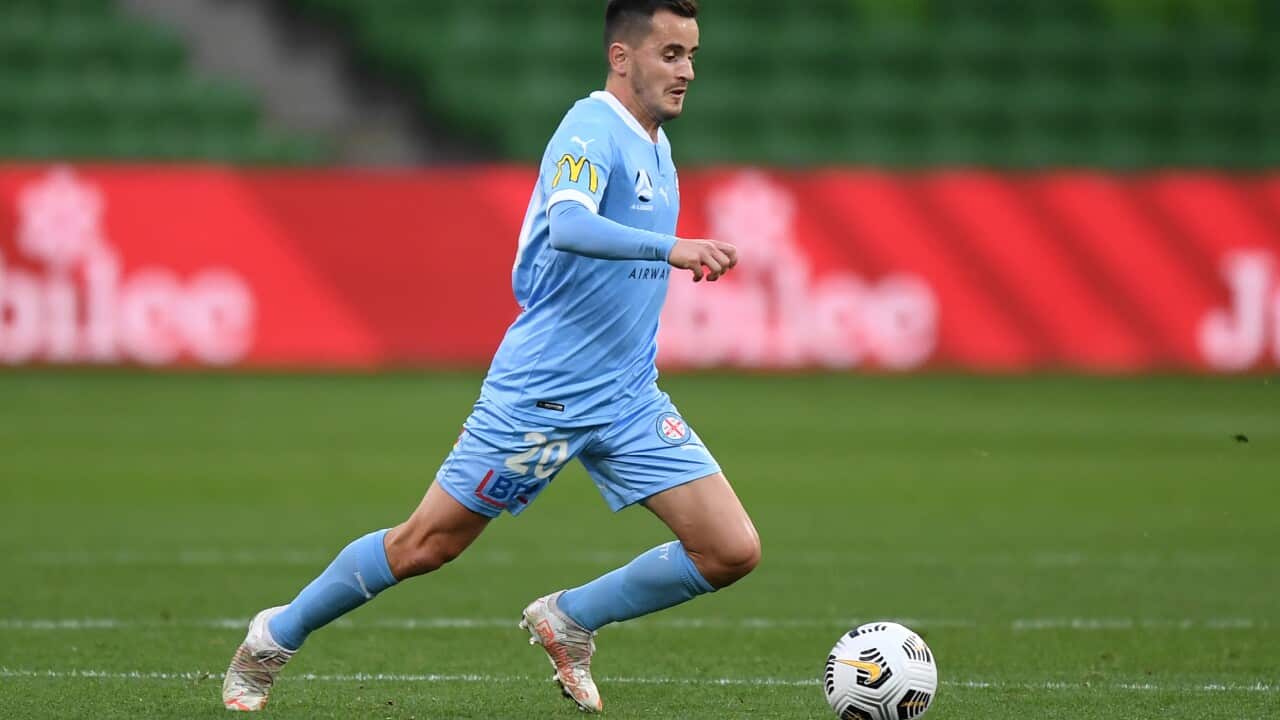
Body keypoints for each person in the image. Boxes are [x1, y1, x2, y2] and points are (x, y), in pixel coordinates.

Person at [221, 0, 759, 713]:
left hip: (628, 395)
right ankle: (273, 638)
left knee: (730, 549)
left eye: (692, 56)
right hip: (546, 391)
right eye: (670, 54)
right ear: (622, 58)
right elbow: (568, 224)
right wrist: (673, 245)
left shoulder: (655, 145)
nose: (687, 71)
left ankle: (568, 619)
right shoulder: (590, 127)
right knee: (425, 546)